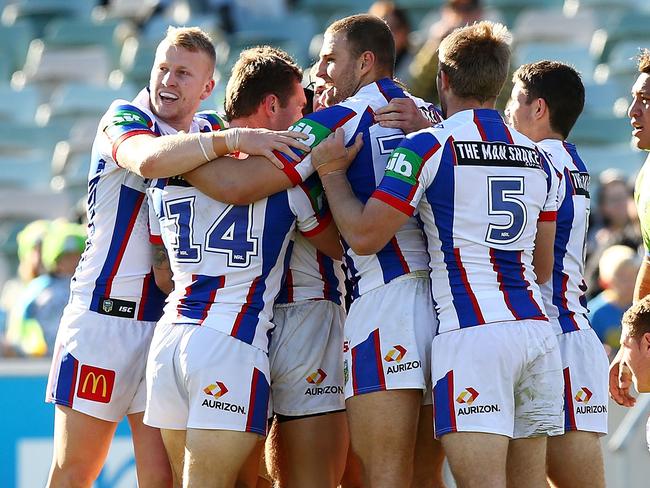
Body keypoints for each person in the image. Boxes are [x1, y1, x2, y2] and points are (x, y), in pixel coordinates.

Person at [182, 14, 446, 488]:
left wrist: (163, 156)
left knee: (372, 474)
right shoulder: (430, 117)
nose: (317, 72)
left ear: (365, 63)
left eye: (329, 59)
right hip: (443, 308)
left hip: (367, 305)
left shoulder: (337, 120)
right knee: (422, 474)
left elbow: (238, 185)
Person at [44, 26, 310, 488]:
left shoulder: (207, 130)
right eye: (162, 68)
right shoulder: (123, 116)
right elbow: (146, 159)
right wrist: (234, 140)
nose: (168, 80)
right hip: (103, 318)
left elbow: (237, 187)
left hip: (167, 325)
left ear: (208, 87)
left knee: (163, 478)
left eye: (183, 73)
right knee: (75, 473)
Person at [309, 21, 564, 487]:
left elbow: (366, 236)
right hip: (535, 332)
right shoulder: (541, 157)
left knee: (389, 475)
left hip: (461, 330)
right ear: (500, 82)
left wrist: (330, 173)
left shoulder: (428, 144)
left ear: (442, 79)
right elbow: (543, 266)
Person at [143, 45, 342, 487]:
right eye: (299, 108)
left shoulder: (171, 168)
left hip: (171, 338)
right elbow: (342, 247)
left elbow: (161, 271)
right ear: (272, 106)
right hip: (231, 343)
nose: (302, 119)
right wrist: (331, 173)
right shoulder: (286, 182)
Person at [505, 60, 609, 488]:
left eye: (514, 101)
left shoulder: (535, 161)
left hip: (554, 332)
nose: (508, 112)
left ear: (538, 108)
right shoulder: (571, 158)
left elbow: (537, 261)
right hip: (570, 326)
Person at [609, 48, 650, 408]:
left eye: (646, 100)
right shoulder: (646, 176)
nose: (632, 111)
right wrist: (630, 342)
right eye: (634, 98)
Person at [6, 220, 86, 356]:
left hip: (77, 353)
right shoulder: (39, 288)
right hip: (42, 359)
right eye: (67, 257)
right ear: (56, 261)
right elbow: (16, 328)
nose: (73, 262)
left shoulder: (86, 287)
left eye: (77, 256)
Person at [589, 244, 640, 355]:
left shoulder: (639, 307)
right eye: (622, 277)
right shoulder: (595, 312)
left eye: (633, 275)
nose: (629, 283)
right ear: (606, 280)